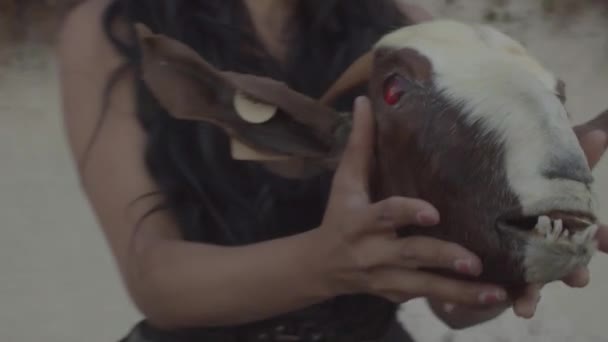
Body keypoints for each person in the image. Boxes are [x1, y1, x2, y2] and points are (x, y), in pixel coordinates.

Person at [57, 0, 608, 341]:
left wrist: (517, 244)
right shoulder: (112, 30)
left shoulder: (410, 38)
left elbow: (451, 307)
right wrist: (327, 264)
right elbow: (157, 280)